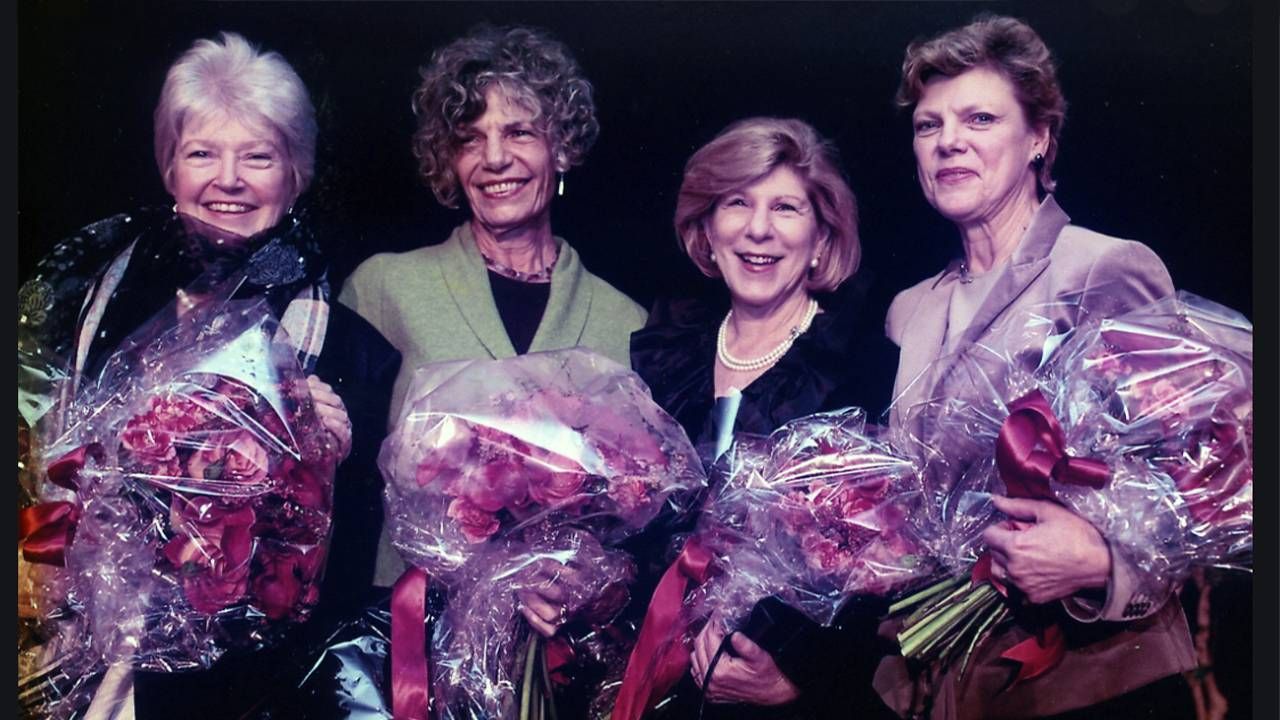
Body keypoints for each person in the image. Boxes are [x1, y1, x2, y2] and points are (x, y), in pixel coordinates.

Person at [17, 32, 400, 719]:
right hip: (95, 677)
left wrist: (322, 457)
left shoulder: (356, 350)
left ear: (295, 175)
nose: (229, 178)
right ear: (170, 169)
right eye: (202, 153)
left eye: (259, 156)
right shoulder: (89, 311)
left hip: (261, 694)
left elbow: (342, 584)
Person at [874, 15, 1196, 719]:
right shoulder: (909, 311)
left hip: (1094, 683)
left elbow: (1195, 477)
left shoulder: (1103, 268)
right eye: (928, 126)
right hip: (951, 685)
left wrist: (1107, 565)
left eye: (979, 117)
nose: (948, 141)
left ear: (1040, 138)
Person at [336, 22, 646, 712]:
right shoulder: (386, 288)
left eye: (520, 133)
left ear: (561, 146)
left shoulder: (625, 321)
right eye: (470, 138)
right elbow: (342, 494)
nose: (494, 158)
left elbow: (636, 517)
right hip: (407, 648)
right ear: (446, 160)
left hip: (557, 660)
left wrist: (586, 584)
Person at [626, 117, 899, 719]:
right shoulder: (664, 357)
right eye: (737, 203)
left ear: (822, 239)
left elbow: (881, 573)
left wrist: (796, 684)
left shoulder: (863, 371)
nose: (757, 229)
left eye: (786, 208)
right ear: (707, 227)